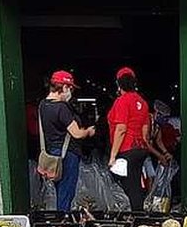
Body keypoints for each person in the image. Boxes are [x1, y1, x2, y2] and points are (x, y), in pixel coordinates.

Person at [35, 70, 95, 211]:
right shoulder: (62, 108)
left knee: (59, 189)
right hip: (67, 154)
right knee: (66, 191)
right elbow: (76, 133)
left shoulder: (43, 105)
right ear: (64, 87)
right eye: (70, 88)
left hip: (52, 153)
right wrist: (88, 131)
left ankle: (61, 217)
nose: (71, 92)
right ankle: (63, 221)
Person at [107, 67, 151, 210]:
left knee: (130, 187)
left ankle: (137, 217)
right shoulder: (143, 103)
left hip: (126, 150)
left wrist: (113, 156)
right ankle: (138, 213)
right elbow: (145, 133)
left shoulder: (122, 101)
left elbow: (121, 129)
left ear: (119, 84)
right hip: (140, 149)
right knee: (135, 184)